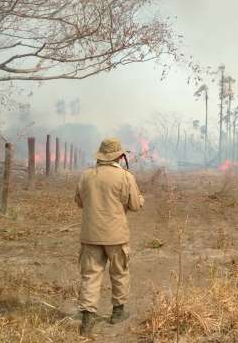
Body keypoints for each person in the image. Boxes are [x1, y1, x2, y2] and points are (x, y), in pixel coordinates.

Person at [75, 138, 144, 336]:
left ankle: (87, 319)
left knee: (90, 275)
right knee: (119, 273)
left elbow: (79, 202)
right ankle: (117, 313)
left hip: (90, 236)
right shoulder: (125, 176)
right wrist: (141, 199)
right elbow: (135, 206)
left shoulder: (86, 176)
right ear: (120, 156)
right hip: (116, 237)